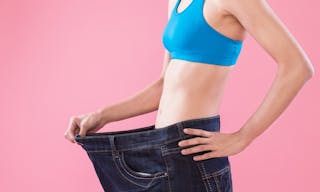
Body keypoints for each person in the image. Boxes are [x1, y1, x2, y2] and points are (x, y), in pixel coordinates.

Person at [64, 0, 314, 191]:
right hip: (160, 149)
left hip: (193, 153)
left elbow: (298, 67)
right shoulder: (176, 1)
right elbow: (163, 86)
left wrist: (243, 137)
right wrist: (101, 116)